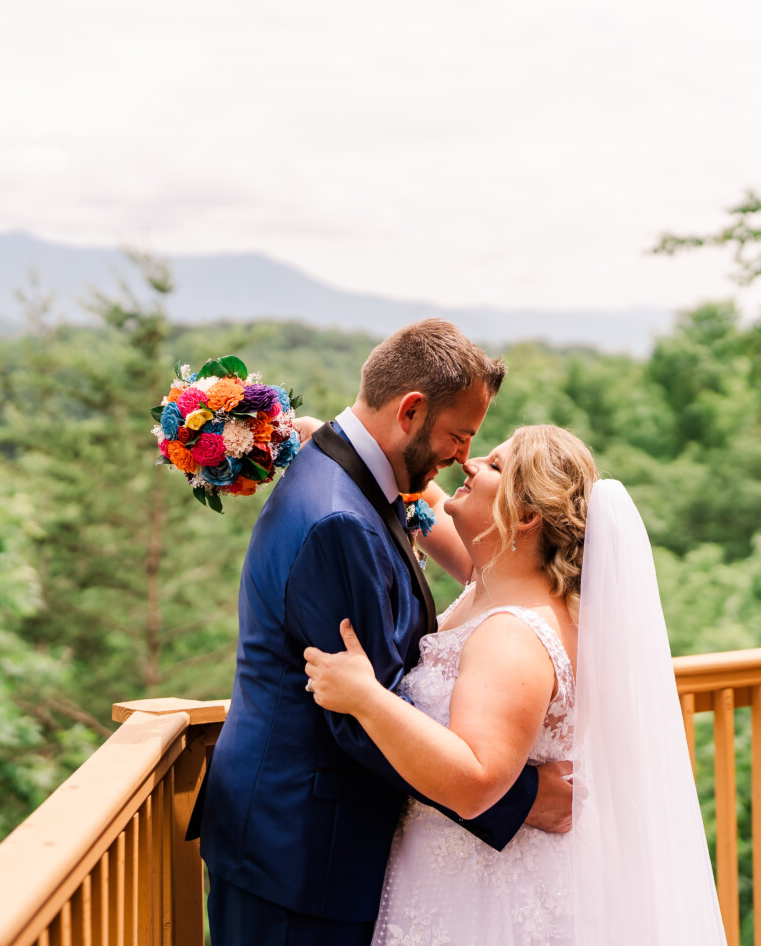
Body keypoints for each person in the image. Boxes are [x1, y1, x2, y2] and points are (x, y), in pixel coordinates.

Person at [188, 320, 573, 946]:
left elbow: (493, 563)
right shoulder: (339, 518)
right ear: (411, 410)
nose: (461, 457)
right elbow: (361, 714)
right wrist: (522, 799)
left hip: (316, 846)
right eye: (458, 436)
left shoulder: (362, 482)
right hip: (299, 853)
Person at [304, 426, 726, 945]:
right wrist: (342, 437)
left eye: (496, 465)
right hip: (484, 869)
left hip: (483, 897)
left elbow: (476, 782)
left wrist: (365, 697)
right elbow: (430, 504)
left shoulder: (513, 633)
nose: (472, 464)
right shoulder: (498, 583)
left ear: (526, 517)